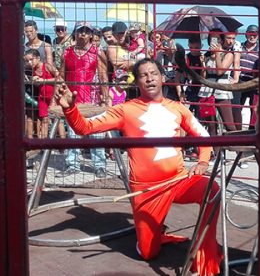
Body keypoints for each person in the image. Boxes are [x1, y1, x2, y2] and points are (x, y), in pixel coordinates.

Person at [54, 58, 221, 276]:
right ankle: (154, 236)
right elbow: (85, 127)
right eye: (143, 75)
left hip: (179, 180)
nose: (150, 78)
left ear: (162, 77)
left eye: (154, 73)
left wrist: (202, 162)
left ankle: (205, 253)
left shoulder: (178, 108)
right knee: (148, 253)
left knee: (213, 190)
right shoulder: (124, 110)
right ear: (137, 82)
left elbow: (203, 137)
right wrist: (70, 109)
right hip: (146, 190)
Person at [56, 21, 109, 178]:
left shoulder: (97, 52)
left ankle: (99, 165)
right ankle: (72, 164)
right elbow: (61, 75)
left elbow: (103, 76)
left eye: (86, 31)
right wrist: (56, 97)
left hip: (92, 99)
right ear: (75, 33)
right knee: (72, 134)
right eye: (80, 31)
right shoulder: (67, 52)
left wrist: (105, 99)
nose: (83, 34)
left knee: (96, 134)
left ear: (91, 34)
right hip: (72, 99)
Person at [24, 48, 57, 139]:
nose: (29, 62)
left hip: (53, 96)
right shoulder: (32, 71)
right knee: (44, 120)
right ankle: (44, 144)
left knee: (58, 120)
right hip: (42, 97)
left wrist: (44, 80)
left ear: (38, 58)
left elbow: (60, 78)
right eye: (27, 61)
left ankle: (61, 145)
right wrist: (34, 81)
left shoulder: (47, 66)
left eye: (31, 59)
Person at [231, 24, 259, 129]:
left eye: (254, 35)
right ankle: (237, 130)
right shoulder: (239, 47)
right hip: (240, 80)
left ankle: (253, 131)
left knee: (254, 109)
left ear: (258, 36)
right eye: (250, 34)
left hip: (253, 82)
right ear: (246, 34)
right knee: (237, 107)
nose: (252, 37)